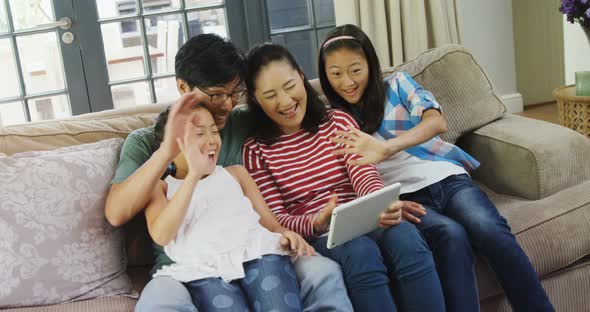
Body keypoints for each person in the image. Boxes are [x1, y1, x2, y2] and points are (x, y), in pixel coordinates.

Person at [105, 33, 353, 312]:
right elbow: (116, 213)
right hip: (184, 268)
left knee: (323, 272)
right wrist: (166, 150)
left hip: (254, 250)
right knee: (157, 306)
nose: (228, 104)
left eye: (235, 92)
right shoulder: (146, 141)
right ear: (183, 87)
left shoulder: (245, 123)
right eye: (217, 94)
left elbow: (300, 112)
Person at [318, 24, 555, 312]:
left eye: (356, 70)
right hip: (404, 198)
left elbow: (436, 122)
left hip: (446, 178)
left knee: (489, 230)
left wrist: (387, 148)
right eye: (336, 74)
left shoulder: (398, 85)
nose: (347, 82)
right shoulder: (334, 120)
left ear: (370, 62)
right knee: (451, 236)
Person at [242, 42, 445, 312]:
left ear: (301, 76)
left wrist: (378, 202)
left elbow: (363, 172)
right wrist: (316, 222)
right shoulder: (255, 151)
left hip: (364, 217)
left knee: (406, 237)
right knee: (359, 252)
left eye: (290, 86)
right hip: (318, 235)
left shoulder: (337, 121)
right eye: (270, 95)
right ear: (255, 99)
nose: (286, 102)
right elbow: (276, 218)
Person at [145, 103, 313, 311]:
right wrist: (193, 176)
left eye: (214, 131)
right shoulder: (160, 188)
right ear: (173, 146)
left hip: (259, 254)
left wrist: (286, 233)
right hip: (204, 271)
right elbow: (162, 235)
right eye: (199, 133)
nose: (212, 139)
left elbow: (271, 225)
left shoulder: (235, 173)